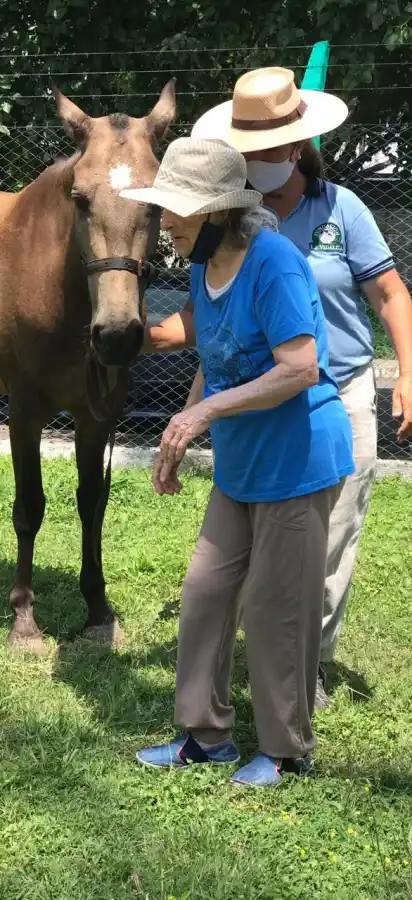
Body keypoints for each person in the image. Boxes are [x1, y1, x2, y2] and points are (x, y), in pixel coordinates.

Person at [120, 137, 354, 786]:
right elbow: (218, 359)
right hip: (242, 465)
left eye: (176, 212)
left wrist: (205, 415)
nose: (165, 223)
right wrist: (186, 430)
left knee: (277, 611)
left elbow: (301, 367)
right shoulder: (203, 266)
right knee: (204, 593)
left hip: (300, 460)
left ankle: (287, 751)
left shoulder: (274, 262)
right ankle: (206, 737)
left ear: (218, 213)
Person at [190, 67, 412, 706]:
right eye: (247, 148)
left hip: (334, 394)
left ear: (297, 146)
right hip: (255, 401)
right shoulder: (228, 222)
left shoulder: (341, 210)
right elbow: (214, 315)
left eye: (269, 148)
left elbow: (390, 293)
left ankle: (299, 671)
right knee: (256, 543)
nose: (258, 159)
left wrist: (409, 372)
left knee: (329, 539)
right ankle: (265, 655)